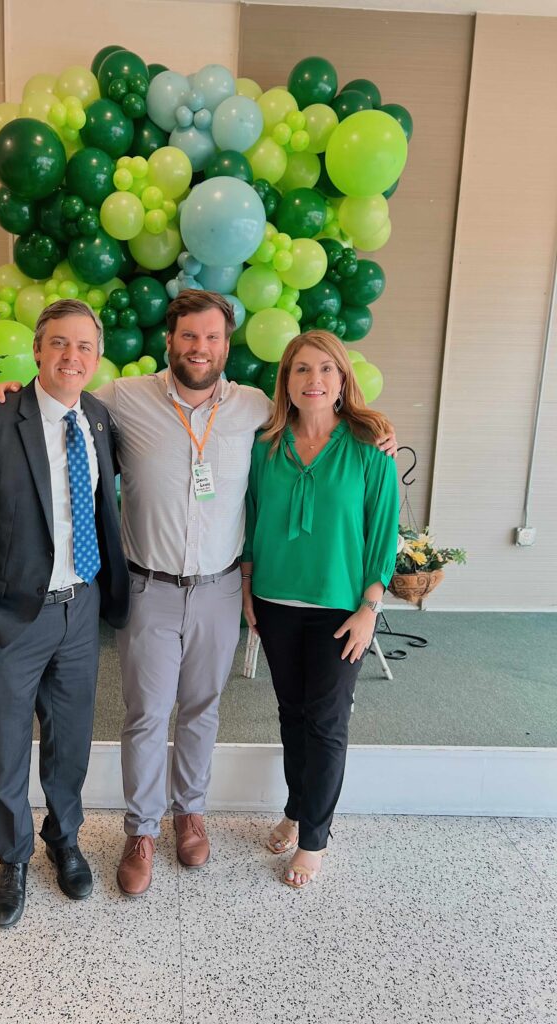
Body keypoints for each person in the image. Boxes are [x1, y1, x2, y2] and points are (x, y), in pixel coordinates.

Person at [0, 290, 397, 899]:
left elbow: (327, 424)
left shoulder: (256, 409)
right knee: (146, 715)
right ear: (169, 341)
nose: (199, 348)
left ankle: (189, 813)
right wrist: (7, 392)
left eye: (211, 337)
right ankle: (141, 831)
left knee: (203, 709)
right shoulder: (122, 400)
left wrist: (377, 431)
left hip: (221, 589)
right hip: (149, 586)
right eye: (188, 336)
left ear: (226, 346)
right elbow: (57, 397)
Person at [0, 299, 129, 928]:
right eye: (59, 344)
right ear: (39, 350)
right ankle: (13, 856)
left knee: (70, 744)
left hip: (81, 611)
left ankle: (63, 839)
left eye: (84, 347)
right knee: (10, 750)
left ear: (96, 359)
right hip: (10, 622)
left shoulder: (99, 418)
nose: (72, 357)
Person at [241, 329, 399, 890]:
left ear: (342, 380)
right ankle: (294, 807)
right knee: (292, 715)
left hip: (340, 610)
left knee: (327, 722)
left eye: (326, 369)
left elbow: (383, 538)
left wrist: (369, 606)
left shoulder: (369, 452)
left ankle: (315, 839)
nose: (314, 380)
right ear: (286, 380)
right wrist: (248, 587)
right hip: (276, 601)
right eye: (302, 369)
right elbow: (254, 523)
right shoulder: (265, 446)